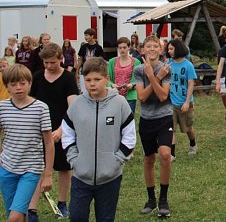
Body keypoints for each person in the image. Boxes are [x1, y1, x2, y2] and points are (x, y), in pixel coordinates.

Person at [61, 57, 136, 222]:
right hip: (81, 176)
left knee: (105, 218)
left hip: (110, 178)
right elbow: (67, 134)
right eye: (87, 80)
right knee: (77, 217)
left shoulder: (120, 103)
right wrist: (75, 160)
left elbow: (129, 136)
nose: (92, 84)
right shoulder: (77, 104)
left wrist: (117, 161)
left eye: (97, 79)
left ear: (107, 79)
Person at [28, 43, 79, 220]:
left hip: (62, 129)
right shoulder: (36, 78)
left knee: (64, 168)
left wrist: (61, 130)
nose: (49, 66)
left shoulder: (68, 79)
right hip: (38, 131)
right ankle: (32, 209)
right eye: (46, 63)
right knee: (36, 168)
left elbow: (72, 108)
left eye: (52, 62)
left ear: (61, 59)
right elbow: (30, 104)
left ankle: (62, 203)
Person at [0, 64, 54, 222]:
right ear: (7, 86)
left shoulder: (40, 108)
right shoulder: (2, 108)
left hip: (31, 169)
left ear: (30, 83)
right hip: (7, 168)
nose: (18, 88)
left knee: (14, 217)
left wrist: (48, 175)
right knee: (17, 214)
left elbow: (49, 143)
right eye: (13, 84)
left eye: (22, 83)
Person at [134, 35, 173, 218]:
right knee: (149, 159)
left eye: (154, 46)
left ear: (160, 49)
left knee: (165, 155)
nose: (151, 49)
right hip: (146, 119)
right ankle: (151, 199)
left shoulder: (166, 68)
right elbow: (141, 97)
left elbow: (163, 96)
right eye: (147, 46)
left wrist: (154, 76)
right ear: (142, 50)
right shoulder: (139, 70)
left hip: (164, 117)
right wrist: (154, 76)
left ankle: (163, 200)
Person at [166, 39, 198, 157]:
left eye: (171, 49)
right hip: (171, 102)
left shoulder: (188, 65)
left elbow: (190, 84)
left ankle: (193, 144)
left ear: (178, 49)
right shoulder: (168, 64)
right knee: (171, 128)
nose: (169, 51)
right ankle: (172, 154)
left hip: (185, 102)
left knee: (187, 128)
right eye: (168, 49)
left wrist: (187, 102)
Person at [108, 37, 142, 114]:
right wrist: (112, 85)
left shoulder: (136, 62)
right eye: (120, 48)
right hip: (115, 95)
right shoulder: (112, 61)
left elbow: (139, 80)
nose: (122, 50)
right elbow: (107, 79)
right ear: (117, 49)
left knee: (128, 119)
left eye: (124, 47)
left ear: (129, 48)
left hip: (130, 96)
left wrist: (132, 85)